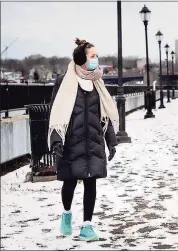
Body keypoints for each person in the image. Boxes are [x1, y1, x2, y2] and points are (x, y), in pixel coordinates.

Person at [48, 38, 120, 241]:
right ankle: (67, 214)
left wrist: (111, 141)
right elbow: (56, 113)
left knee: (91, 183)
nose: (96, 59)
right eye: (93, 56)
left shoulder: (97, 82)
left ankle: (87, 225)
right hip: (72, 141)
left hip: (94, 140)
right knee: (69, 183)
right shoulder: (64, 81)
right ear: (81, 59)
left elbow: (104, 114)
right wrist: (56, 141)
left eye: (97, 55)